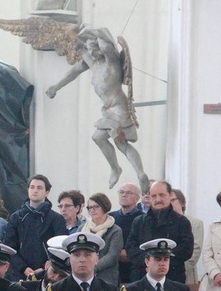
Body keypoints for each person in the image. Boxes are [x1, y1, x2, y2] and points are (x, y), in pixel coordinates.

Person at [45, 26, 149, 193]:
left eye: (95, 48)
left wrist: (90, 33)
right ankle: (116, 168)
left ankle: (140, 174)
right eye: (90, 49)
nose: (92, 52)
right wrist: (56, 86)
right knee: (98, 137)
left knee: (122, 143)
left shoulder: (111, 60)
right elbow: (74, 71)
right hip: (107, 110)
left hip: (119, 107)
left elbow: (106, 42)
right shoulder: (94, 64)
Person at [125, 181, 193, 283]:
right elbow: (131, 248)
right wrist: (149, 261)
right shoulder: (139, 222)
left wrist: (163, 261)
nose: (158, 199)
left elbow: (186, 249)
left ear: (170, 195)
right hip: (141, 278)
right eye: (154, 196)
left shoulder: (182, 222)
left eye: (162, 195)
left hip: (172, 279)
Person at [3, 174, 67, 281]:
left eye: (39, 188)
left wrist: (45, 267)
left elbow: (61, 247)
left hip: (48, 274)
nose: (35, 190)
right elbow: (10, 247)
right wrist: (23, 268)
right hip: (19, 274)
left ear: (47, 192)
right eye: (32, 187)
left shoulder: (56, 219)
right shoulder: (16, 217)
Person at [79, 192, 123, 286]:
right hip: (83, 277)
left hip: (106, 278)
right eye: (90, 207)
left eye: (96, 207)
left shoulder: (115, 230)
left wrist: (91, 268)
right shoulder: (82, 229)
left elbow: (112, 256)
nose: (92, 210)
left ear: (104, 207)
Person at [110, 182, 143, 284]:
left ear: (137, 198)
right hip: (113, 268)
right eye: (121, 192)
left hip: (135, 268)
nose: (124, 195)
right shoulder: (110, 218)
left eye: (128, 193)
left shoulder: (143, 219)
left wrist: (129, 253)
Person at [171, 189, 203, 285]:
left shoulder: (195, 223)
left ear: (182, 202)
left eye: (173, 200)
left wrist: (177, 269)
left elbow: (195, 250)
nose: (170, 203)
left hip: (185, 273)